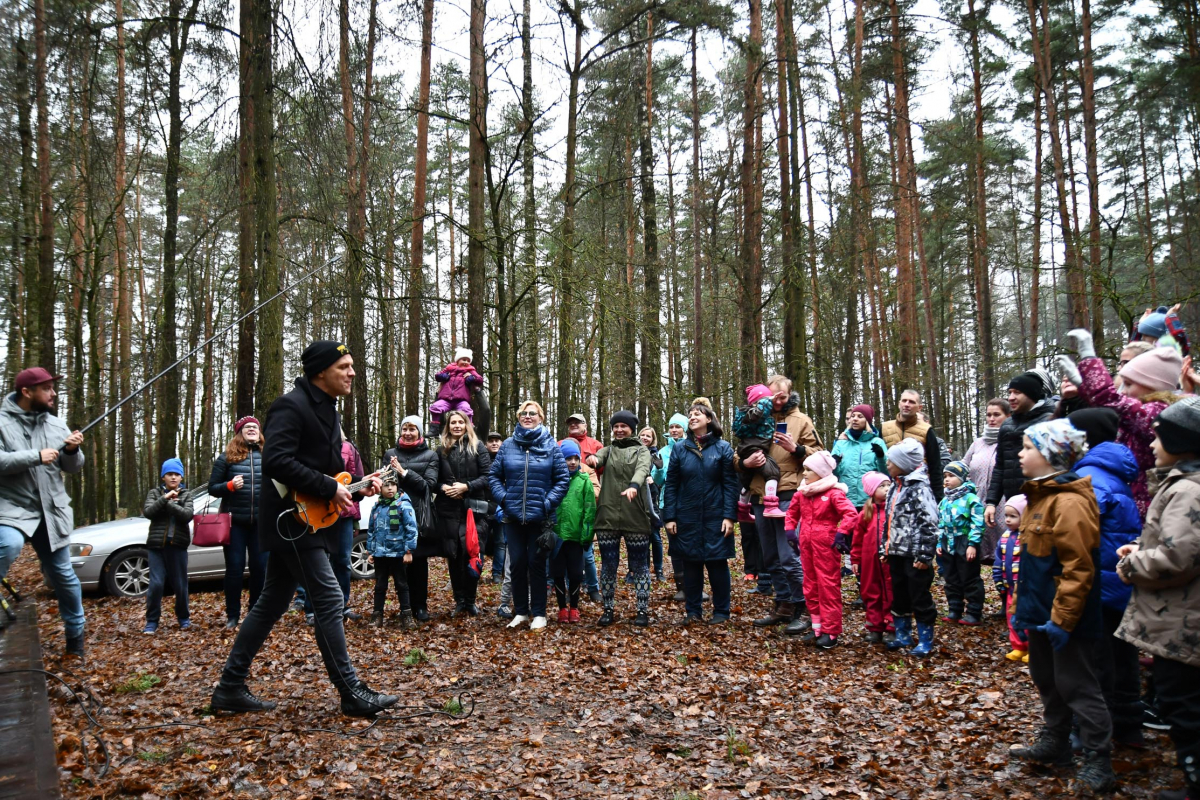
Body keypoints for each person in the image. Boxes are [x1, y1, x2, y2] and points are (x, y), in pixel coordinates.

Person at [210, 340, 395, 718]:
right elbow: (276, 461)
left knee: (271, 603)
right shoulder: (290, 406)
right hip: (289, 523)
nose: (352, 372)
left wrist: (358, 485)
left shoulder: (328, 410)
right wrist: (330, 487)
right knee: (328, 599)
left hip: (308, 521)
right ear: (320, 372)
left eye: (352, 365)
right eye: (344, 366)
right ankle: (350, 691)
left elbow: (322, 471)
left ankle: (229, 688)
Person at [1008, 418, 1114, 791]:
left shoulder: (1069, 502)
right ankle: (1056, 743)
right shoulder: (1040, 498)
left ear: (1051, 455)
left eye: (1028, 448)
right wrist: (1026, 612)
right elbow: (1034, 564)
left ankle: (1099, 762)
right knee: (1047, 679)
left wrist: (1063, 619)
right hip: (1040, 613)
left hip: (1067, 618)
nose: (1020, 454)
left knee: (1077, 685)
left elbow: (1079, 566)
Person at [1115, 396, 1200, 800]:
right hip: (1180, 616)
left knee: (1184, 707)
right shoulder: (1183, 484)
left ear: (1181, 442)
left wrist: (1133, 564)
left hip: (1181, 621)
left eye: (1159, 437)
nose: (1150, 443)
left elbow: (1180, 556)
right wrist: (1142, 548)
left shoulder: (1187, 490)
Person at [1068, 407, 1145, 748]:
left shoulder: (1091, 478)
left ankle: (1090, 733)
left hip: (1095, 585)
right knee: (1120, 656)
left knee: (1094, 661)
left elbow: (1076, 527)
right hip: (1115, 585)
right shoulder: (1112, 471)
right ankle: (1128, 727)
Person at [0, 367, 86, 658]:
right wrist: (34, 457)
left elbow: (71, 467)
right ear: (27, 392)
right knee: (8, 544)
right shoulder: (1, 422)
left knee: (62, 575)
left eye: (53, 387)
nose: (53, 393)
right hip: (12, 509)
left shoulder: (56, 424)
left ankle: (76, 638)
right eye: (47, 388)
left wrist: (72, 451)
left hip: (52, 512)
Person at [1059, 328, 1182, 515]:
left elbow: (1113, 401)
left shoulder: (1158, 412)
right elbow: (1111, 407)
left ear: (1152, 385)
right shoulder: (1145, 410)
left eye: (1130, 384)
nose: (1123, 390)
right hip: (1138, 497)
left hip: (1150, 504)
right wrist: (1081, 384)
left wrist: (1089, 359)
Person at [741, 375, 822, 630]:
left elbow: (821, 456)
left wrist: (797, 449)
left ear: (789, 396)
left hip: (789, 495)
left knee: (790, 556)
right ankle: (784, 603)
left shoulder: (801, 421)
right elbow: (737, 452)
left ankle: (805, 606)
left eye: (781, 397)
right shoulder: (754, 420)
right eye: (771, 397)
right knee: (771, 556)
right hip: (760, 495)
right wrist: (744, 463)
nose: (776, 402)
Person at [489, 400, 570, 630]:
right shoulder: (507, 445)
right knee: (516, 564)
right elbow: (494, 477)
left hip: (540, 518)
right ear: (518, 417)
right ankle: (521, 612)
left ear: (540, 417)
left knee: (536, 564)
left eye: (532, 413)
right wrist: (504, 499)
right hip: (512, 517)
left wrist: (547, 503)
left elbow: (562, 480)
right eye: (523, 413)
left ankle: (539, 614)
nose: (527, 416)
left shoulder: (551, 446)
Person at [662, 403, 739, 624]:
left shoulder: (723, 448)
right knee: (691, 565)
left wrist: (729, 516)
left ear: (709, 419)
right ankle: (693, 612)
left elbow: (730, 485)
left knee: (717, 564)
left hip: (716, 516)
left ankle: (721, 612)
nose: (693, 417)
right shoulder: (680, 449)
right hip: (687, 516)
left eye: (698, 414)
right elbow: (672, 485)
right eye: (690, 414)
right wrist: (670, 516)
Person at [783, 451, 858, 648]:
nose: (804, 473)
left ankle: (831, 631)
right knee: (810, 585)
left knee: (828, 586)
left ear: (821, 472)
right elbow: (791, 513)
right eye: (804, 469)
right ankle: (817, 627)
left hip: (826, 545)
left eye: (809, 470)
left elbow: (851, 514)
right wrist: (790, 531)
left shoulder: (834, 493)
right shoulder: (802, 493)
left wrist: (842, 533)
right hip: (806, 545)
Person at [587, 410, 655, 627]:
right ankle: (608, 609)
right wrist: (592, 459)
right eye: (615, 426)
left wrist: (634, 485)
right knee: (608, 565)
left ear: (631, 428)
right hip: (608, 517)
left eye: (622, 426)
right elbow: (598, 459)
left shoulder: (642, 450)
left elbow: (643, 469)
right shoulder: (609, 450)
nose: (618, 430)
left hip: (635, 516)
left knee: (640, 565)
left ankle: (642, 610)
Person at [880, 438, 940, 658]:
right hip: (896, 552)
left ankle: (925, 639)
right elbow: (888, 521)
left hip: (915, 555)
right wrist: (884, 548)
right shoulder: (895, 486)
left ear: (904, 463)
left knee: (919, 595)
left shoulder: (919, 487)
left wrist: (925, 554)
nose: (887, 463)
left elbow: (930, 522)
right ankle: (903, 634)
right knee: (899, 594)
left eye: (892, 460)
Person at [208, 416, 267, 629]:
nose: (251, 429)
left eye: (255, 427)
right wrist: (230, 486)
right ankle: (232, 615)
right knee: (234, 569)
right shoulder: (227, 458)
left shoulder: (268, 455)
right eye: (247, 427)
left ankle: (255, 613)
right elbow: (213, 487)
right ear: (239, 432)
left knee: (260, 569)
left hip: (261, 523)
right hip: (234, 523)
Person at [433, 409, 493, 617]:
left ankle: (470, 600)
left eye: (460, 422)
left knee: (473, 555)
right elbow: (434, 481)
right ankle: (459, 600)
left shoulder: (478, 448)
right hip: (449, 511)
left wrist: (466, 486)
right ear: (448, 427)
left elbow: (488, 477)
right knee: (454, 556)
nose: (457, 426)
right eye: (453, 423)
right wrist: (444, 488)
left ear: (467, 424)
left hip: (474, 511)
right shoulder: (442, 451)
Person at [382, 415, 440, 621]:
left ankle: (421, 606)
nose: (407, 433)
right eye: (404, 428)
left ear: (420, 432)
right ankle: (405, 607)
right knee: (398, 564)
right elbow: (385, 483)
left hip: (418, 516)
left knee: (419, 564)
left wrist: (403, 472)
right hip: (394, 516)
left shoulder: (431, 455)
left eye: (412, 429)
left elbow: (428, 485)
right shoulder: (390, 454)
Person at [983, 371, 1055, 529]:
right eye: (1009, 392)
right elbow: (1000, 466)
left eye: (1017, 392)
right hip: (1013, 506)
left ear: (1032, 394)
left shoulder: (1050, 422)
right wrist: (991, 502)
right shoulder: (1007, 426)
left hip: (1043, 504)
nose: (1011, 398)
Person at [142, 458, 193, 634]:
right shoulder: (154, 493)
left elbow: (187, 515)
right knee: (156, 584)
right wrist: (164, 499)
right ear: (163, 476)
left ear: (181, 477)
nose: (173, 478)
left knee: (180, 585)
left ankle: (184, 618)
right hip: (156, 546)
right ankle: (152, 621)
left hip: (178, 545)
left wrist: (170, 504)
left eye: (177, 474)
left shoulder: (186, 494)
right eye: (170, 474)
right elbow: (148, 512)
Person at [962, 398, 1009, 588]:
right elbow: (962, 468)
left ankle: (1006, 599)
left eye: (997, 414)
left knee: (1005, 557)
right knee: (973, 555)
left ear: (1008, 416)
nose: (991, 419)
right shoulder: (977, 444)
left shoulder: (1012, 442)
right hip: (976, 508)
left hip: (1003, 508)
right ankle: (974, 602)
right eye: (988, 414)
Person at [560, 413, 603, 604]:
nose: (571, 461)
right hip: (561, 523)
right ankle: (565, 589)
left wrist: (583, 492)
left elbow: (596, 489)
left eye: (575, 456)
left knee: (587, 557)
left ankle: (593, 588)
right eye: (571, 423)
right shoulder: (557, 469)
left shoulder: (587, 470)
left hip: (582, 522)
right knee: (561, 558)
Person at [936, 461, 986, 626]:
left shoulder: (971, 499)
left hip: (965, 541)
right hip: (948, 542)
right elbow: (940, 523)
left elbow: (977, 523)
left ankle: (974, 611)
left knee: (969, 576)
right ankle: (954, 609)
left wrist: (972, 543)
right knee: (951, 577)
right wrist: (939, 543)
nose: (947, 480)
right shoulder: (945, 501)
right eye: (945, 476)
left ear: (962, 478)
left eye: (951, 476)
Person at [551, 440, 596, 623]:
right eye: (568, 458)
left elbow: (589, 509)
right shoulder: (553, 480)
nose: (572, 462)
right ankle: (562, 607)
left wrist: (587, 535)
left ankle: (574, 607)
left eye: (575, 458)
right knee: (558, 573)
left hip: (576, 537)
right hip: (556, 536)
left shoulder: (584, 481)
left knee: (576, 573)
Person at [366, 475, 417, 628]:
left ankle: (406, 614)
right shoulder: (377, 507)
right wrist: (371, 551)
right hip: (380, 553)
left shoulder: (403, 505)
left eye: (393, 485)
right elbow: (371, 530)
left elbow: (411, 528)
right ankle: (377, 615)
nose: (390, 488)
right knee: (380, 585)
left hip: (398, 553)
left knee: (401, 584)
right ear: (379, 489)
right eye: (386, 485)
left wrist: (409, 550)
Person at [852, 472, 894, 644]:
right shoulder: (865, 512)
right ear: (871, 490)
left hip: (889, 559)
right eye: (882, 486)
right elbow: (857, 537)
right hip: (869, 560)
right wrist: (855, 559)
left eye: (888, 485)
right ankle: (875, 627)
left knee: (891, 590)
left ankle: (892, 626)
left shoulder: (894, 509)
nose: (886, 489)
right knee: (871, 591)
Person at [880, 389, 945, 500]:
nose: (906, 404)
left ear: (919, 407)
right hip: (888, 490)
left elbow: (935, 467)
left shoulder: (926, 430)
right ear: (899, 403)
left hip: (918, 492)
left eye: (911, 402)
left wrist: (938, 498)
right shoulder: (885, 428)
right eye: (904, 401)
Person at [732, 384, 785, 516]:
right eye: (769, 401)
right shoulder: (752, 414)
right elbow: (758, 414)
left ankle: (743, 510)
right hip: (753, 447)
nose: (772, 403)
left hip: (753, 447)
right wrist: (767, 400)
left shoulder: (759, 415)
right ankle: (771, 505)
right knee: (772, 472)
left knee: (747, 481)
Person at [993, 495, 1028, 663]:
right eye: (1006, 515)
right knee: (1011, 617)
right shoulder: (1005, 536)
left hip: (1025, 587)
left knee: (1026, 616)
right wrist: (998, 578)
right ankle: (1018, 646)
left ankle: (1031, 647)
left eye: (1013, 516)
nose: (1007, 520)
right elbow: (998, 559)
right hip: (1010, 586)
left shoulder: (1027, 538)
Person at [832, 404, 888, 509]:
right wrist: (833, 464)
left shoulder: (877, 442)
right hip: (845, 500)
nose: (855, 419)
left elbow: (885, 474)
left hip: (870, 501)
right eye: (853, 416)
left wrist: (881, 458)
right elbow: (833, 475)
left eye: (860, 416)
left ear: (867, 421)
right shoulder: (841, 443)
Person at [429, 347, 483, 437]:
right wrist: (444, 376)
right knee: (436, 407)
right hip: (446, 399)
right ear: (458, 360)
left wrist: (472, 378)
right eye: (463, 359)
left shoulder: (471, 370)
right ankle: (434, 428)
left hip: (461, 400)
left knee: (466, 409)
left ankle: (470, 429)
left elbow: (480, 380)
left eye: (468, 360)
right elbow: (437, 376)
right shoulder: (449, 368)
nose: (466, 362)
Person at [639, 427, 666, 583]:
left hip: (652, 499)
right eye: (642, 435)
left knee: (655, 537)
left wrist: (654, 478)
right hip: (637, 499)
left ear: (653, 438)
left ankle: (659, 569)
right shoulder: (634, 452)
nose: (644, 438)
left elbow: (661, 475)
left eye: (648, 436)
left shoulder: (656, 454)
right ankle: (643, 569)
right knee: (641, 537)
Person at [485, 432, 505, 584]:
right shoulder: (481, 459)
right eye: (491, 441)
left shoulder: (507, 460)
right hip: (483, 507)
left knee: (500, 542)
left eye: (497, 441)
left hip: (501, 508)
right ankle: (475, 570)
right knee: (479, 542)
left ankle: (497, 573)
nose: (494, 443)